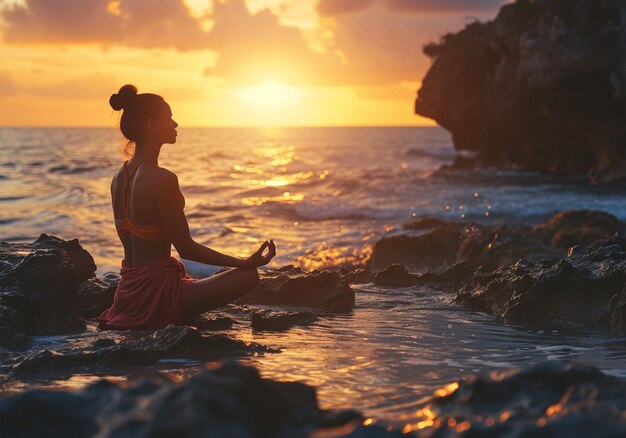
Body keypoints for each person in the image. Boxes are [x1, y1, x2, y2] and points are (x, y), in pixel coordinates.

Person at [98, 84, 276, 330]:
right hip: (159, 295)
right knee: (248, 276)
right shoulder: (162, 178)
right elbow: (186, 248)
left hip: (127, 293)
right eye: (169, 118)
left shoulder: (119, 177)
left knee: (220, 275)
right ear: (150, 125)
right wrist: (244, 262)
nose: (176, 124)